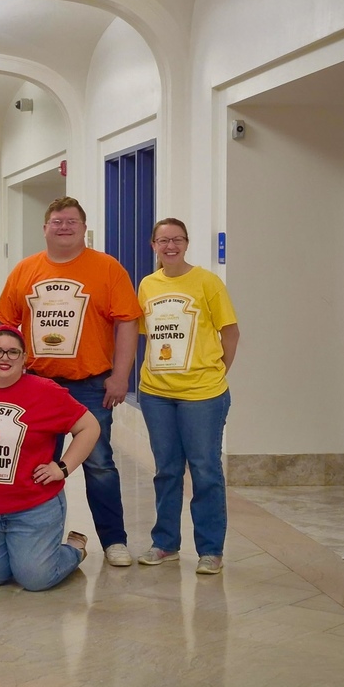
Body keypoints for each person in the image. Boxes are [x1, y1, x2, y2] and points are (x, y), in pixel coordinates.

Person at [0, 196, 142, 567]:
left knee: (100, 464)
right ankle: (38, 540)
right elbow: (5, 327)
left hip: (91, 385)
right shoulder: (26, 270)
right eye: (57, 221)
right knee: (33, 464)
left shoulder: (107, 268)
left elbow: (127, 322)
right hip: (37, 384)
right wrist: (3, 374)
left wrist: (121, 376)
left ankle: (114, 540)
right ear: (45, 228)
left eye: (71, 221)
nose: (64, 227)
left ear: (83, 227)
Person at [0, 325, 100, 590]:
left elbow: (89, 427)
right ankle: (20, 552)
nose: (5, 357)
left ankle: (74, 549)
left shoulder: (46, 391)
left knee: (35, 579)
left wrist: (63, 467)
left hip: (33, 507)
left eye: (13, 352)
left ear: (24, 359)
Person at [136, 218, 239, 575]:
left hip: (203, 394)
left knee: (205, 469)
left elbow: (231, 332)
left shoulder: (208, 282)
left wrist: (214, 371)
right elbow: (146, 334)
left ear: (187, 243)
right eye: (163, 240)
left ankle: (211, 549)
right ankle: (165, 543)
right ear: (153, 245)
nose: (170, 246)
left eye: (177, 239)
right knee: (166, 470)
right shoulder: (147, 285)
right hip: (156, 393)